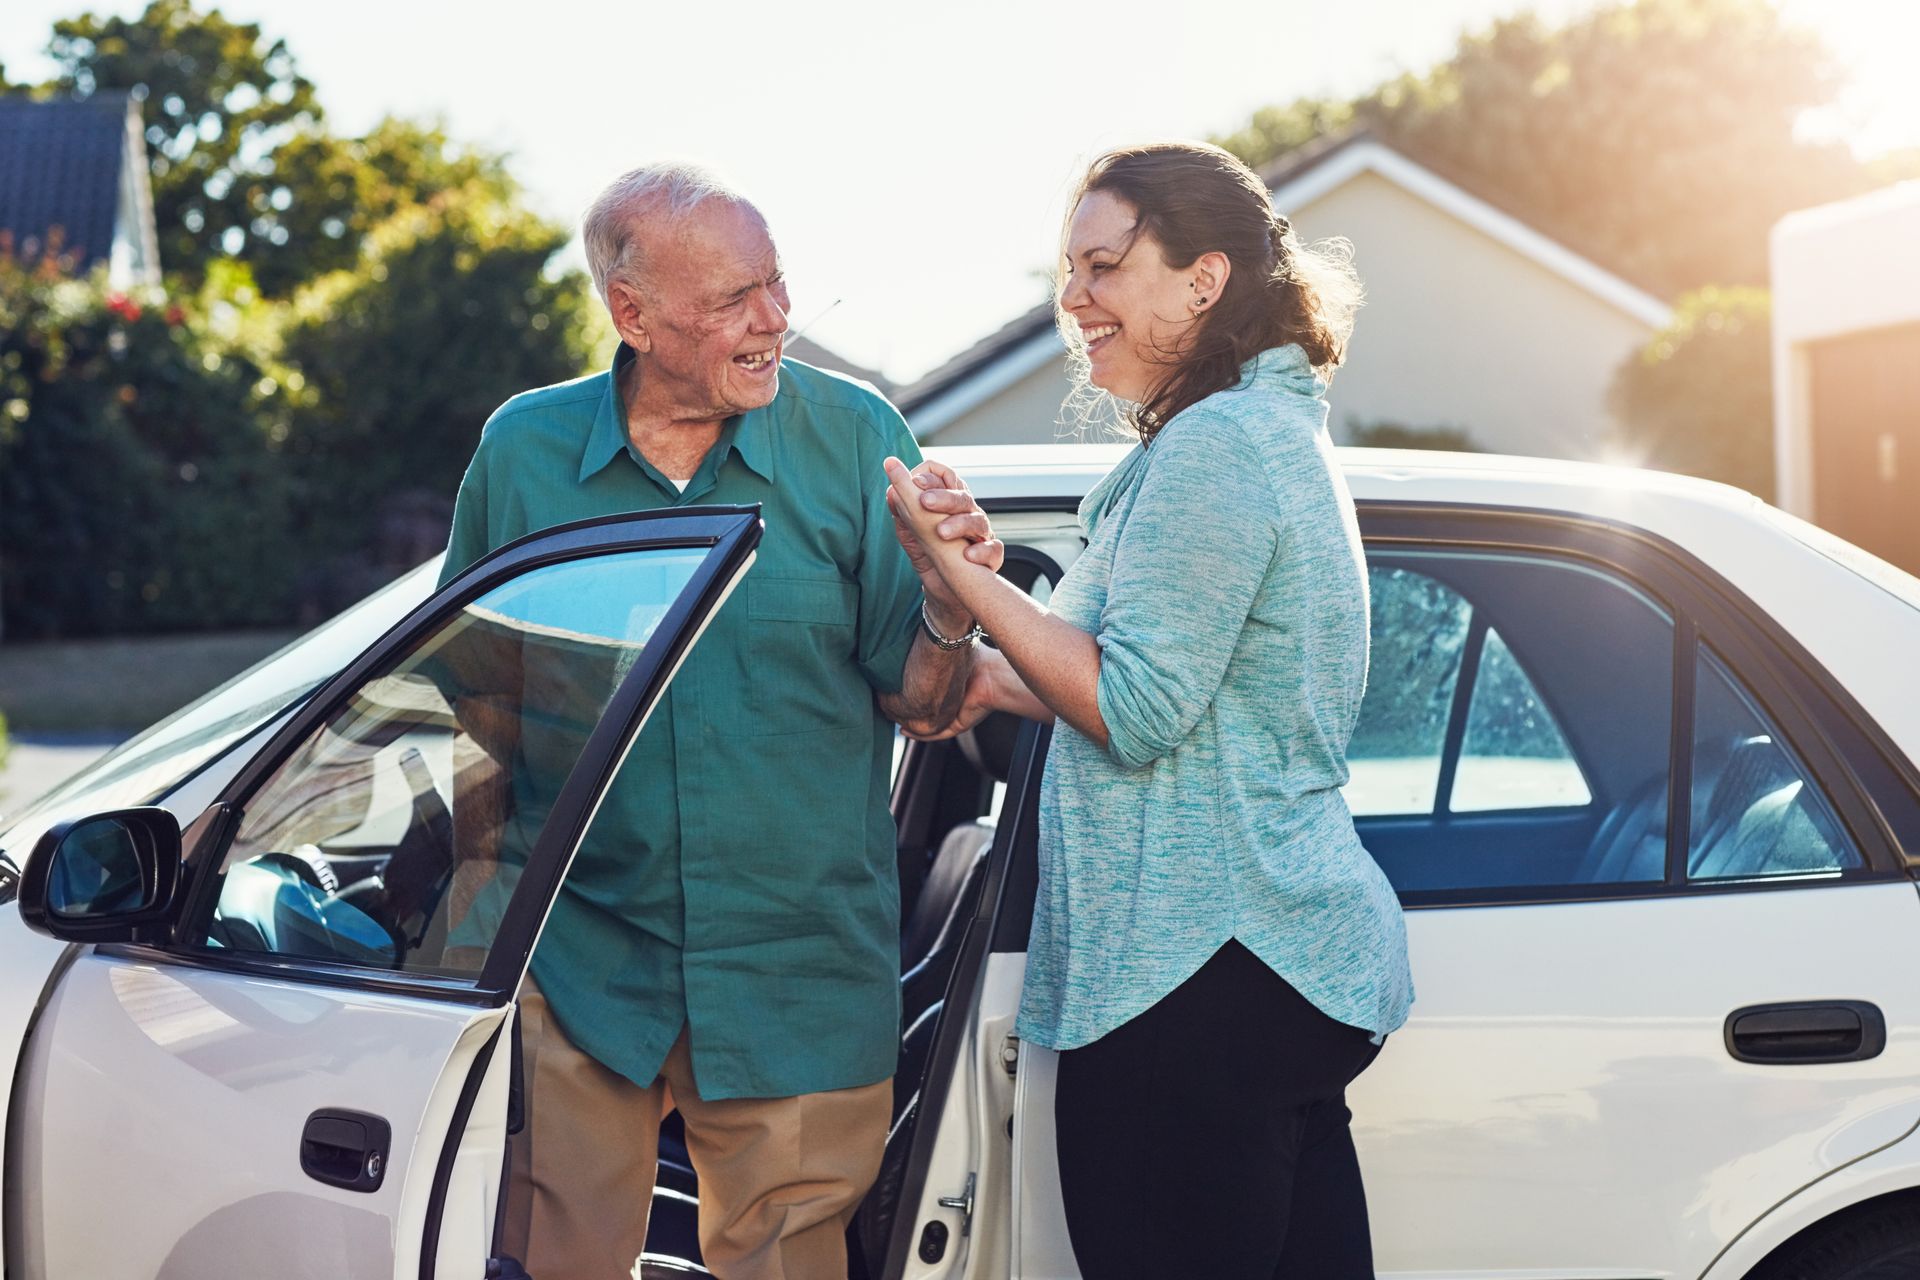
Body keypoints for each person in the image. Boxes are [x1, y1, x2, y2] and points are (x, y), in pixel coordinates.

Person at [437, 162, 1001, 1280]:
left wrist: (946, 605)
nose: (775, 320)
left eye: (778, 285)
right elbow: (475, 701)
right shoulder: (523, 453)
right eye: (735, 297)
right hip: (582, 964)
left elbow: (928, 704)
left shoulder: (855, 439)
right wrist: (476, 928)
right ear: (632, 314)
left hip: (797, 970)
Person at [884, 141, 1414, 1279]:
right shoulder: (1247, 433)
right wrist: (980, 652)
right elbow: (1128, 674)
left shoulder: (1219, 449)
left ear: (1204, 280)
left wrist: (970, 579)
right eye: (1068, 270)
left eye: (1105, 266)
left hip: (1201, 975)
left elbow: (1134, 705)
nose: (1074, 299)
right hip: (1268, 969)